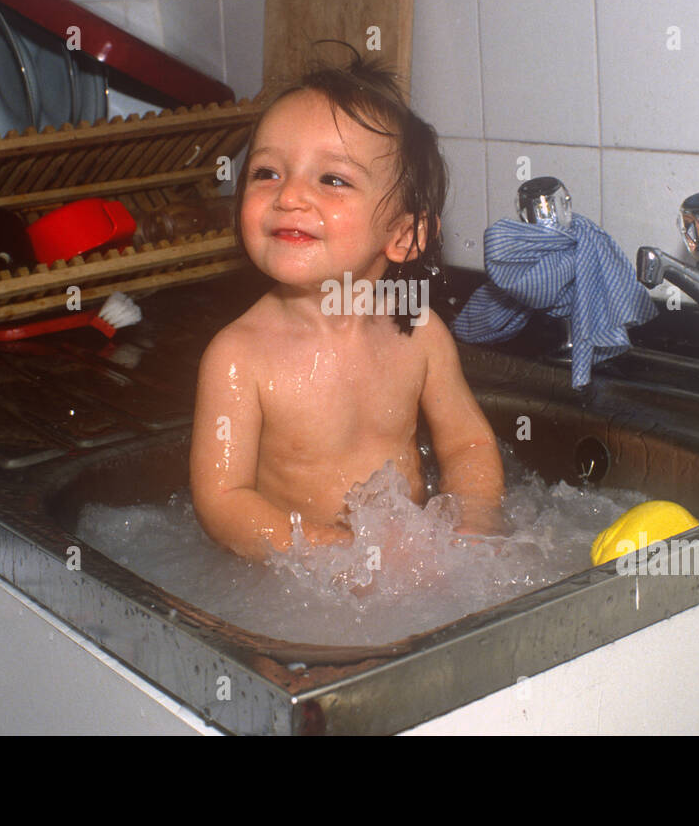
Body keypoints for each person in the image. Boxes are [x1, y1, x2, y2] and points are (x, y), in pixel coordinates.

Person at [189, 50, 505, 561]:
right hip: (299, 590)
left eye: (331, 179)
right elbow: (223, 503)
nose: (289, 196)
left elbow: (467, 446)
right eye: (267, 172)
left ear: (405, 235)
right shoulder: (238, 357)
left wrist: (471, 523)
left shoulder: (419, 333)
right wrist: (334, 552)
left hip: (406, 566)